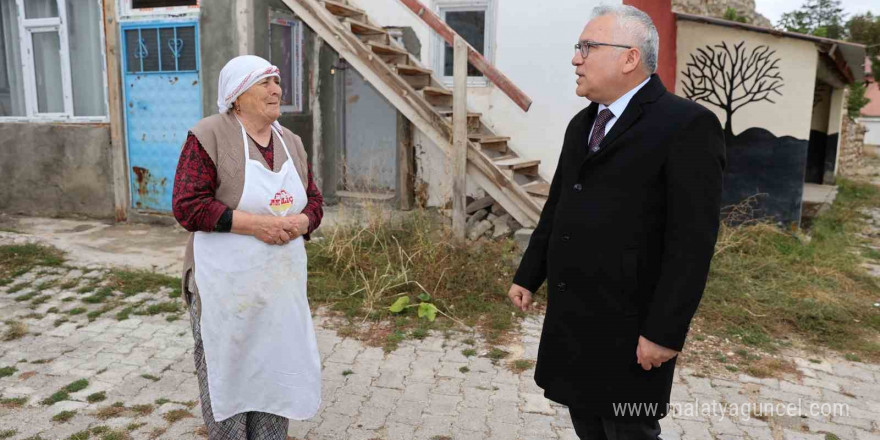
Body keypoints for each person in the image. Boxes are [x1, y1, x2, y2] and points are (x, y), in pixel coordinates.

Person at [507, 5, 725, 439]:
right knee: (586, 422)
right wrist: (529, 275)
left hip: (632, 329)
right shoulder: (583, 124)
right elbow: (559, 208)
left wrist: (664, 332)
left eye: (587, 47)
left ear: (629, 58)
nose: (576, 59)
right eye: (577, 48)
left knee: (628, 431)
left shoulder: (687, 126)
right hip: (576, 318)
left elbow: (692, 243)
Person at [171, 55, 324, 439]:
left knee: (274, 363)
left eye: (277, 83)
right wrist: (257, 226)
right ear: (237, 95)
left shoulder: (291, 142)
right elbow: (188, 206)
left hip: (278, 282)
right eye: (266, 83)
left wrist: (302, 222)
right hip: (223, 284)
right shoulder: (208, 136)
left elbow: (315, 200)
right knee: (228, 365)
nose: (277, 90)